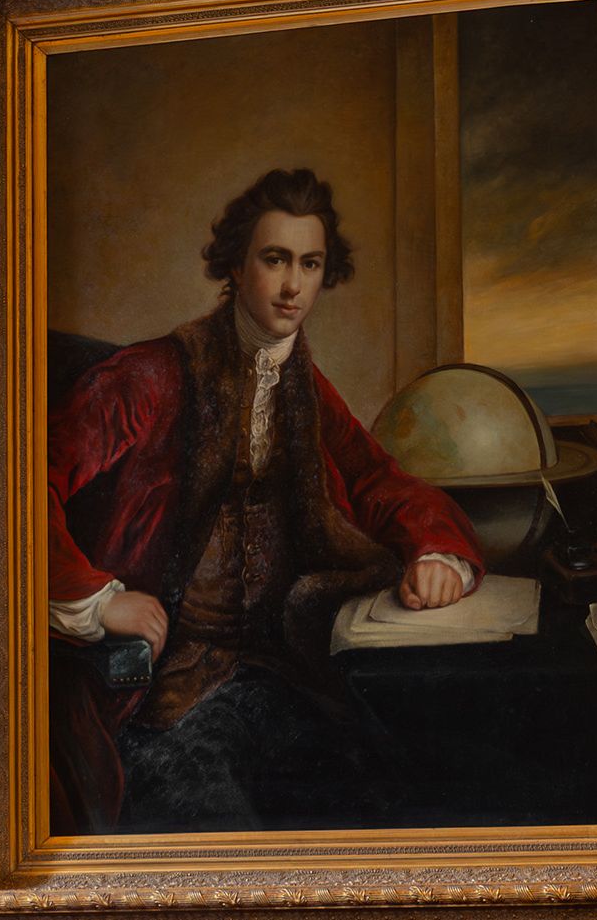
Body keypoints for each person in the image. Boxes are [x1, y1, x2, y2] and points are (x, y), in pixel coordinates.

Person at [45, 167, 485, 831]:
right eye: (273, 259)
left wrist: (436, 554)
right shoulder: (145, 378)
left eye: (309, 263)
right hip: (158, 694)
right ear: (235, 264)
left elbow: (377, 482)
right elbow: (13, 489)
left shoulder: (305, 388)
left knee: (391, 802)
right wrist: (101, 599)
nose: (290, 285)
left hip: (274, 671)